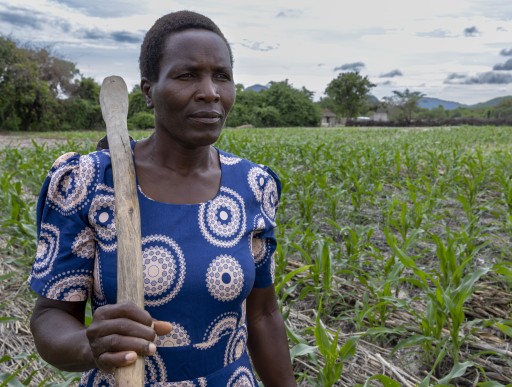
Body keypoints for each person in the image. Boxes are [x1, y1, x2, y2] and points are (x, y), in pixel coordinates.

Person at [29, 10, 296, 386]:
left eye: (222, 75)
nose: (210, 91)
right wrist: (90, 345)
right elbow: (49, 317)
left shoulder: (253, 185)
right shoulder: (88, 182)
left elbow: (263, 315)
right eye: (187, 75)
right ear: (148, 90)